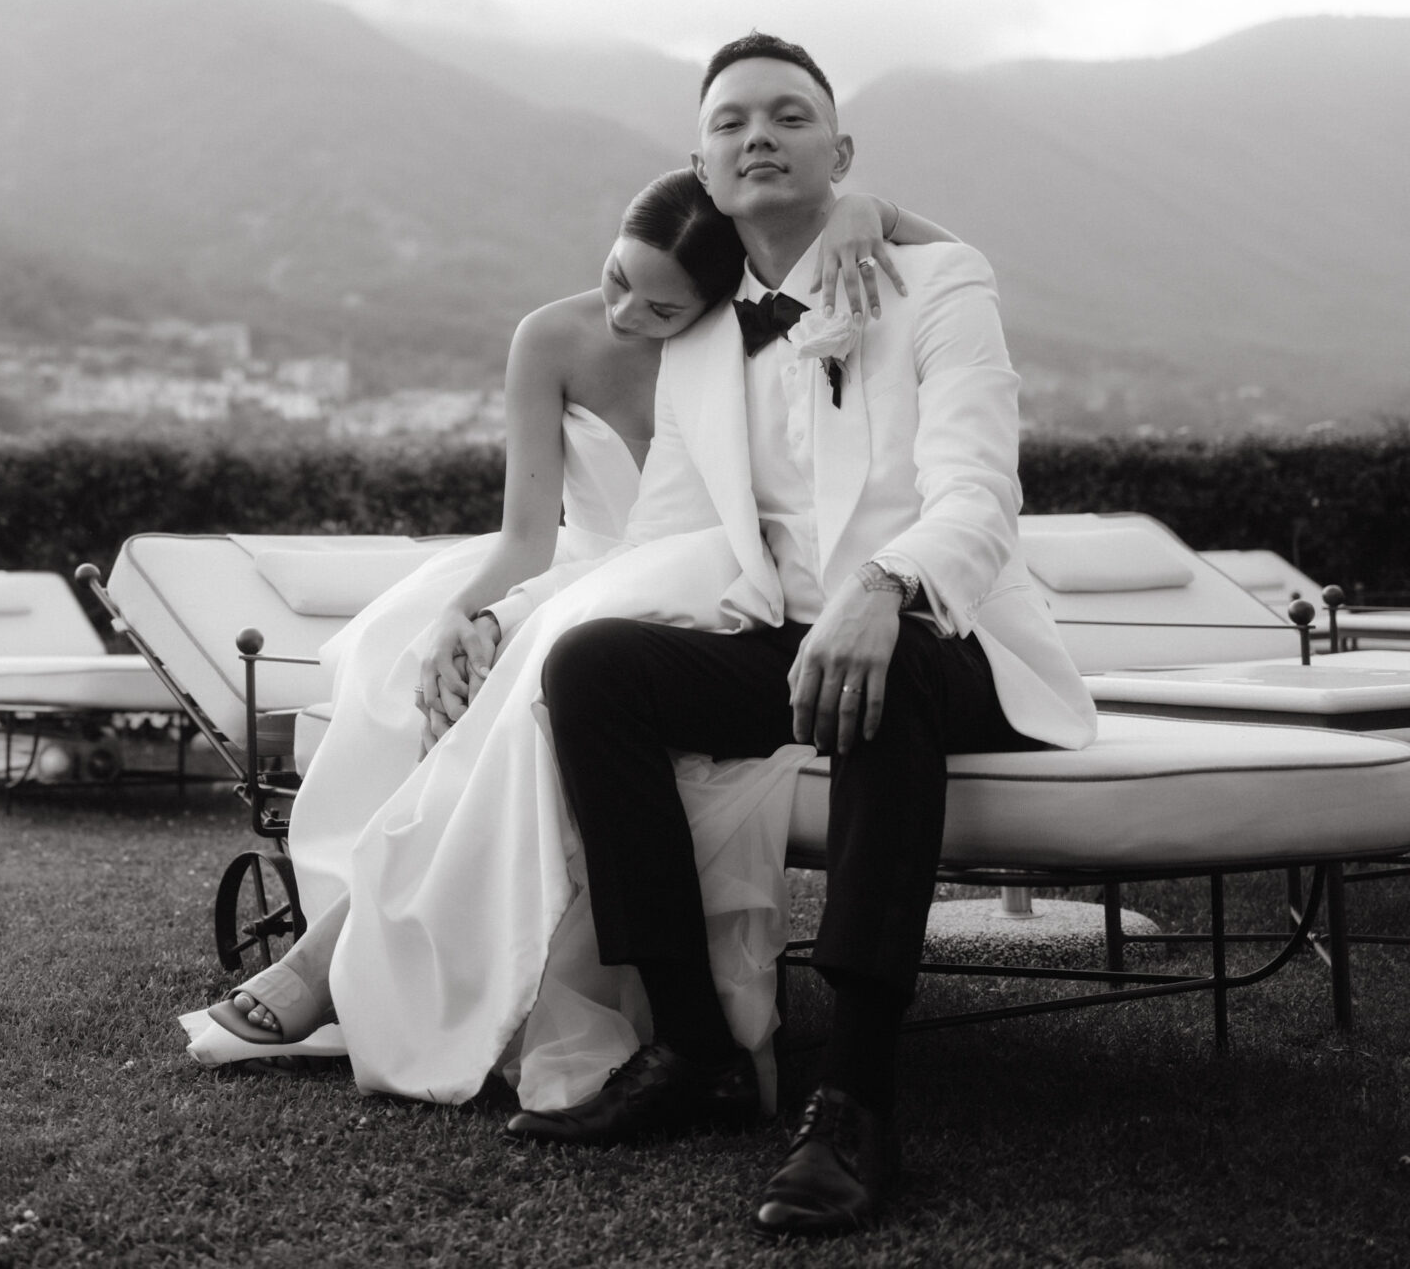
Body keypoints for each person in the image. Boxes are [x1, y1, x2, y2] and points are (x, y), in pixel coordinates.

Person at [506, 32, 1096, 1241]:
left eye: (787, 115)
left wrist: (882, 588)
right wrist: (503, 618)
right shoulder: (700, 338)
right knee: (594, 665)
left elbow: (978, 495)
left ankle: (856, 1093)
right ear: (702, 167)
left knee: (886, 671)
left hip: (950, 635)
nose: (757, 135)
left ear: (841, 152)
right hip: (779, 641)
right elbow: (659, 540)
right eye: (730, 123)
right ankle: (692, 1048)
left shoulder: (942, 284)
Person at [199, 169, 952, 1051]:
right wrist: (468, 609)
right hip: (583, 569)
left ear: (717, 298)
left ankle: (336, 951)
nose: (629, 316)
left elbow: (951, 275)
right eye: (617, 279)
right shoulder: (550, 337)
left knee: (545, 677)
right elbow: (527, 536)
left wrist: (875, 211)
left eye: (664, 310)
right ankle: (378, 940)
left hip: (716, 584)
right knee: (446, 665)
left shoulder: (747, 338)